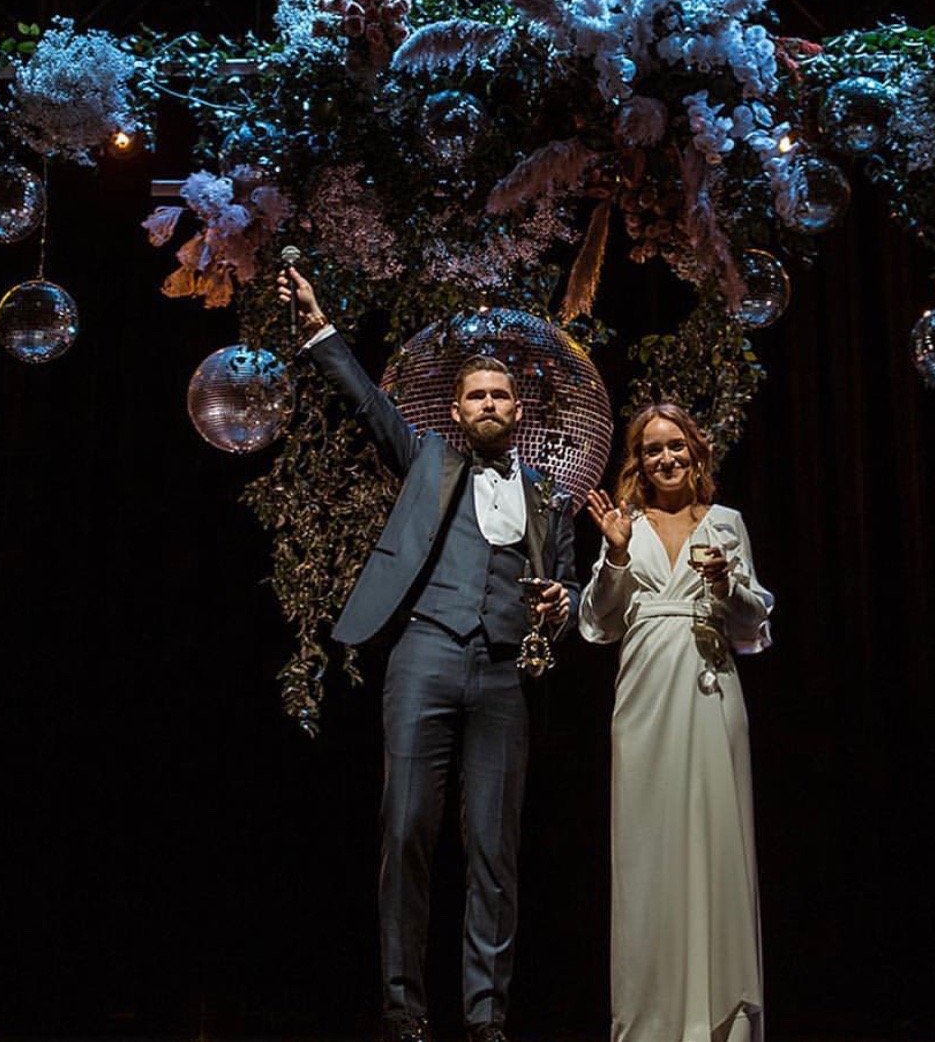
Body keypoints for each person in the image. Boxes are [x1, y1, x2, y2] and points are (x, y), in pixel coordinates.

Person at [277, 264, 579, 1042]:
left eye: (500, 395)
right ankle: (404, 1009)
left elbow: (568, 588)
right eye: (475, 395)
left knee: (493, 847)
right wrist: (318, 325)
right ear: (454, 410)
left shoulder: (549, 494)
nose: (488, 404)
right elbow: (367, 402)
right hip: (426, 656)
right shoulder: (427, 461)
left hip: (506, 674)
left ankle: (486, 1014)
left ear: (519, 411)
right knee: (406, 828)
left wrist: (560, 601)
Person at [581, 402, 773, 1042]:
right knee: (647, 849)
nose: (666, 459)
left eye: (676, 447)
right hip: (643, 696)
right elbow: (596, 623)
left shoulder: (726, 523)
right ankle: (651, 1021)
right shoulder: (624, 527)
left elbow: (753, 627)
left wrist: (724, 587)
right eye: (652, 449)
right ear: (639, 461)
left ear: (697, 454)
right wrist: (612, 558)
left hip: (711, 690)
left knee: (715, 843)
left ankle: (721, 1022)